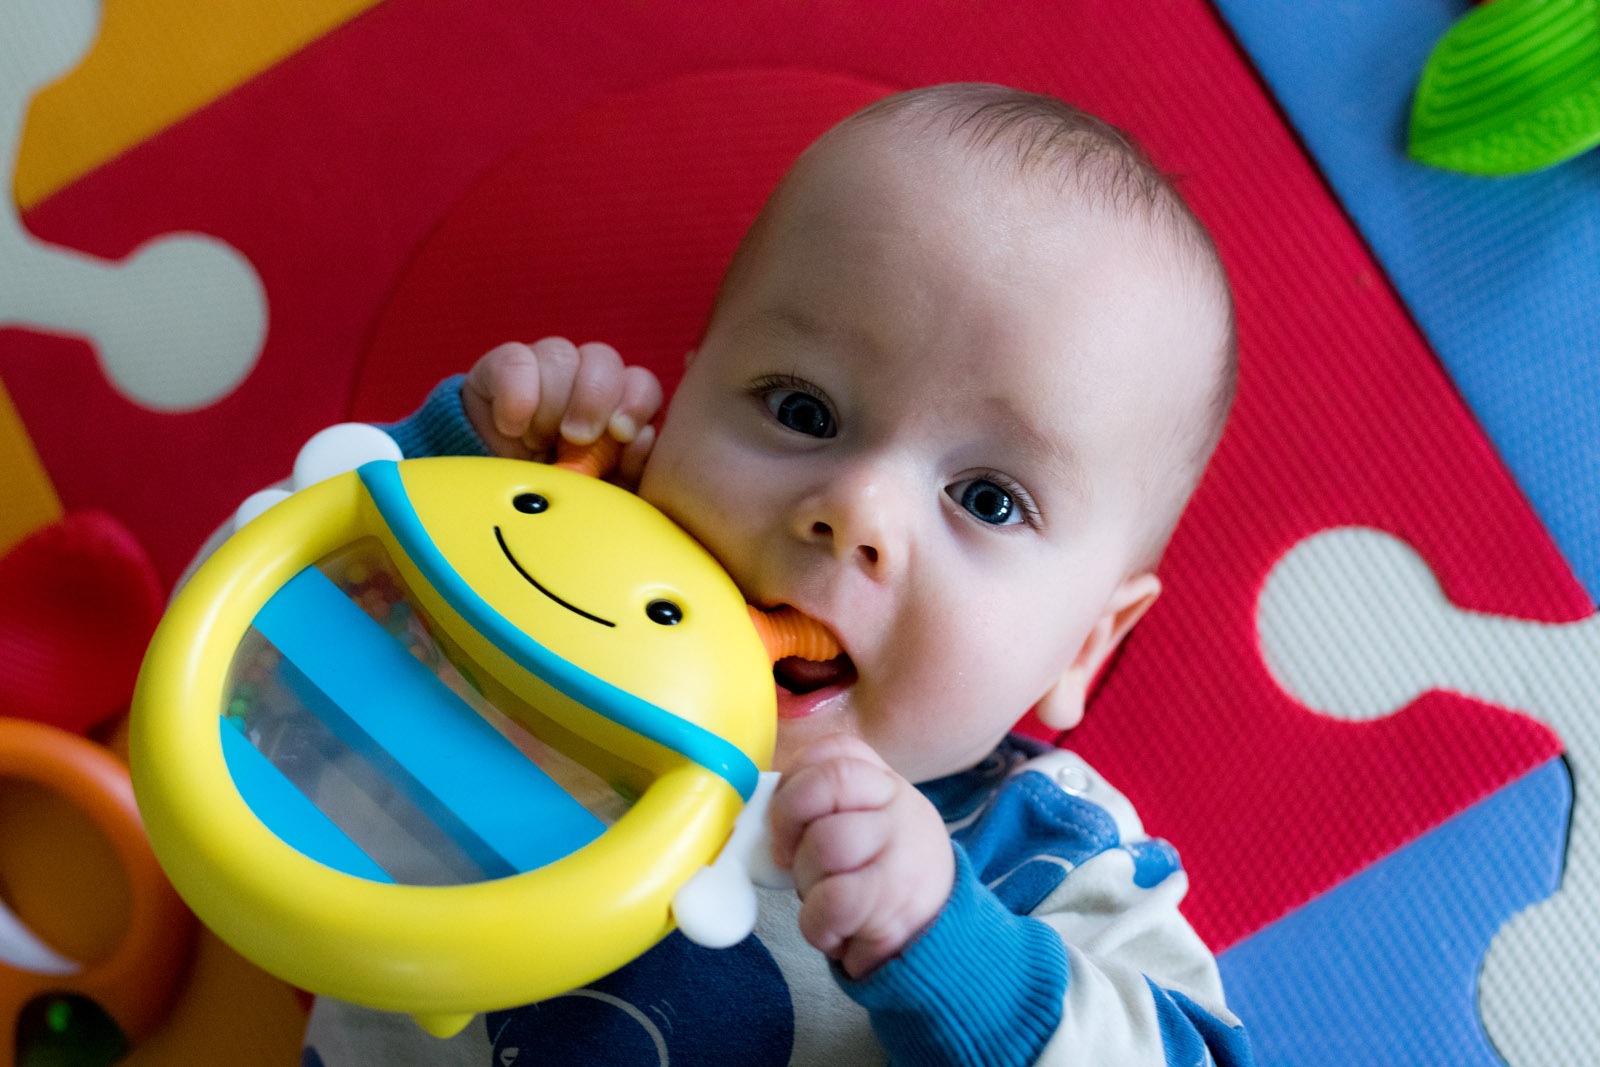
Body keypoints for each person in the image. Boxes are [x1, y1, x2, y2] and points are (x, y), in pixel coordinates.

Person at [302, 83, 1252, 1066]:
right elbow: (256, 662)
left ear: (1085, 645)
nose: (856, 509)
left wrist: (959, 955)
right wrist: (463, 488)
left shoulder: (1043, 860)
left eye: (988, 499)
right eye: (802, 410)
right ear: (678, 411)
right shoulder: (530, 624)